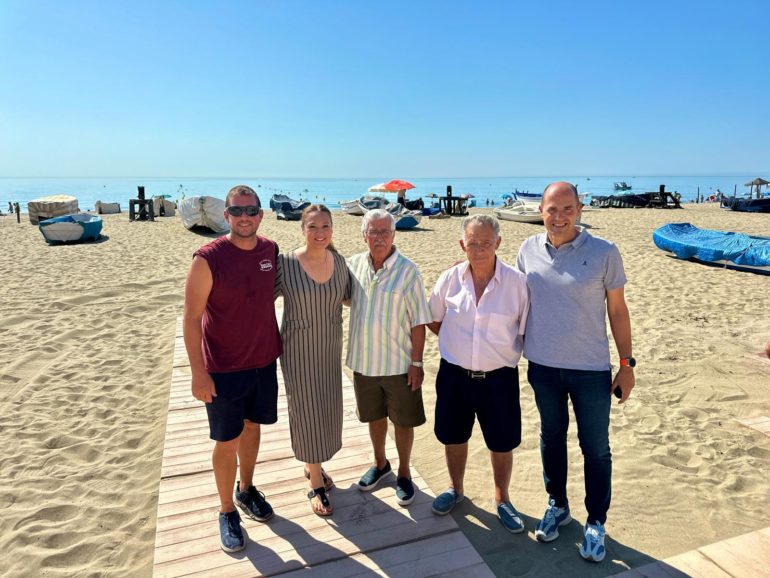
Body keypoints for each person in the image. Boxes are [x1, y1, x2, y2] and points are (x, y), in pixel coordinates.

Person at [516, 181, 635, 563]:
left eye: (567, 208)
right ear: (541, 211)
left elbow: (617, 310)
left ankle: (596, 521)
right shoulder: (527, 250)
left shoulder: (604, 252)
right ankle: (558, 505)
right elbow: (514, 296)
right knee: (551, 437)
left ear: (580, 209)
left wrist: (627, 364)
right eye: (552, 209)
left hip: (590, 370)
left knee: (596, 448)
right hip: (543, 367)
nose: (559, 216)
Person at [183, 185, 281, 553]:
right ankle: (226, 510)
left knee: (254, 428)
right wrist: (198, 373)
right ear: (225, 215)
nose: (244, 217)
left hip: (262, 362)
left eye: (251, 210)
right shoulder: (208, 258)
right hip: (223, 367)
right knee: (226, 440)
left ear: (261, 214)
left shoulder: (270, 250)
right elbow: (191, 318)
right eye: (237, 211)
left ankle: (246, 489)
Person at [427, 214, 529, 534]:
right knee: (454, 436)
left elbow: (525, 331)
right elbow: (432, 319)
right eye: (473, 243)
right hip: (454, 376)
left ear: (498, 243)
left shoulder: (517, 283)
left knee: (501, 442)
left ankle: (502, 499)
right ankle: (456, 490)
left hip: (499, 379)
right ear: (462, 244)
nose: (480, 249)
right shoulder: (449, 279)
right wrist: (458, 342)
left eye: (486, 242)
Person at [346, 208, 432, 507]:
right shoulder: (353, 264)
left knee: (402, 421)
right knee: (374, 417)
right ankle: (381, 465)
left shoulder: (408, 271)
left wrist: (417, 362)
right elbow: (343, 297)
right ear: (364, 235)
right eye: (374, 231)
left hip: (398, 363)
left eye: (385, 232)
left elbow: (419, 320)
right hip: (364, 361)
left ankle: (405, 473)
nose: (379, 237)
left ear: (394, 235)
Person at [275, 204, 350, 517]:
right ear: (302, 229)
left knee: (327, 407)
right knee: (306, 409)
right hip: (297, 349)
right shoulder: (285, 264)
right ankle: (315, 481)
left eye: (325, 227)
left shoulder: (340, 261)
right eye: (313, 227)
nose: (319, 233)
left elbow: (350, 298)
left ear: (332, 229)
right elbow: (257, 298)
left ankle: (313, 465)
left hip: (330, 347)